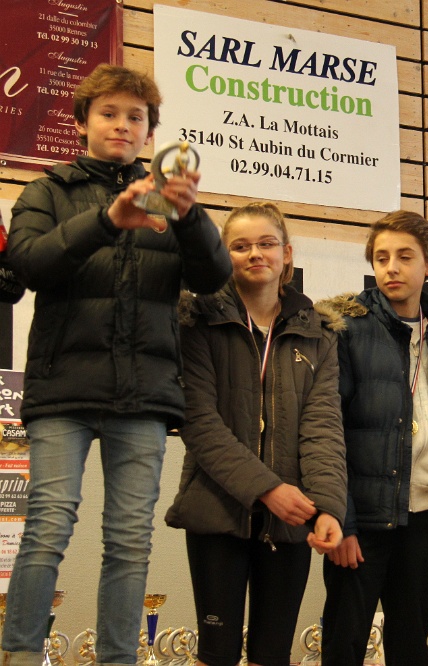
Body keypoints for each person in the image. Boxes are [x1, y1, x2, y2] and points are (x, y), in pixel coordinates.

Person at [2, 64, 231, 666]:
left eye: (136, 117)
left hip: (144, 393)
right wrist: (107, 221)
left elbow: (213, 279)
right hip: (63, 388)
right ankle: (20, 655)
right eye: (108, 113)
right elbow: (29, 265)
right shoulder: (48, 190)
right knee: (48, 526)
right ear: (82, 123)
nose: (122, 125)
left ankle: (118, 660)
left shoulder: (169, 199)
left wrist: (191, 216)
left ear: (150, 133)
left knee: (129, 540)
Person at [164, 202, 347, 666]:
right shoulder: (198, 323)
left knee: (273, 654)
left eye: (267, 243)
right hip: (217, 511)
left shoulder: (319, 334)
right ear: (224, 256)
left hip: (290, 521)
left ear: (287, 253)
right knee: (217, 654)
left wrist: (328, 506)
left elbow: (323, 428)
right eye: (240, 246)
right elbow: (199, 423)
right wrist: (267, 489)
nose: (255, 254)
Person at [320, 210, 428, 666]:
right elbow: (329, 433)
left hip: (426, 518)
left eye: (405, 257)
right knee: (343, 645)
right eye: (382, 257)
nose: (391, 268)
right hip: (363, 519)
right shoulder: (346, 327)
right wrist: (342, 521)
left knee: (410, 648)